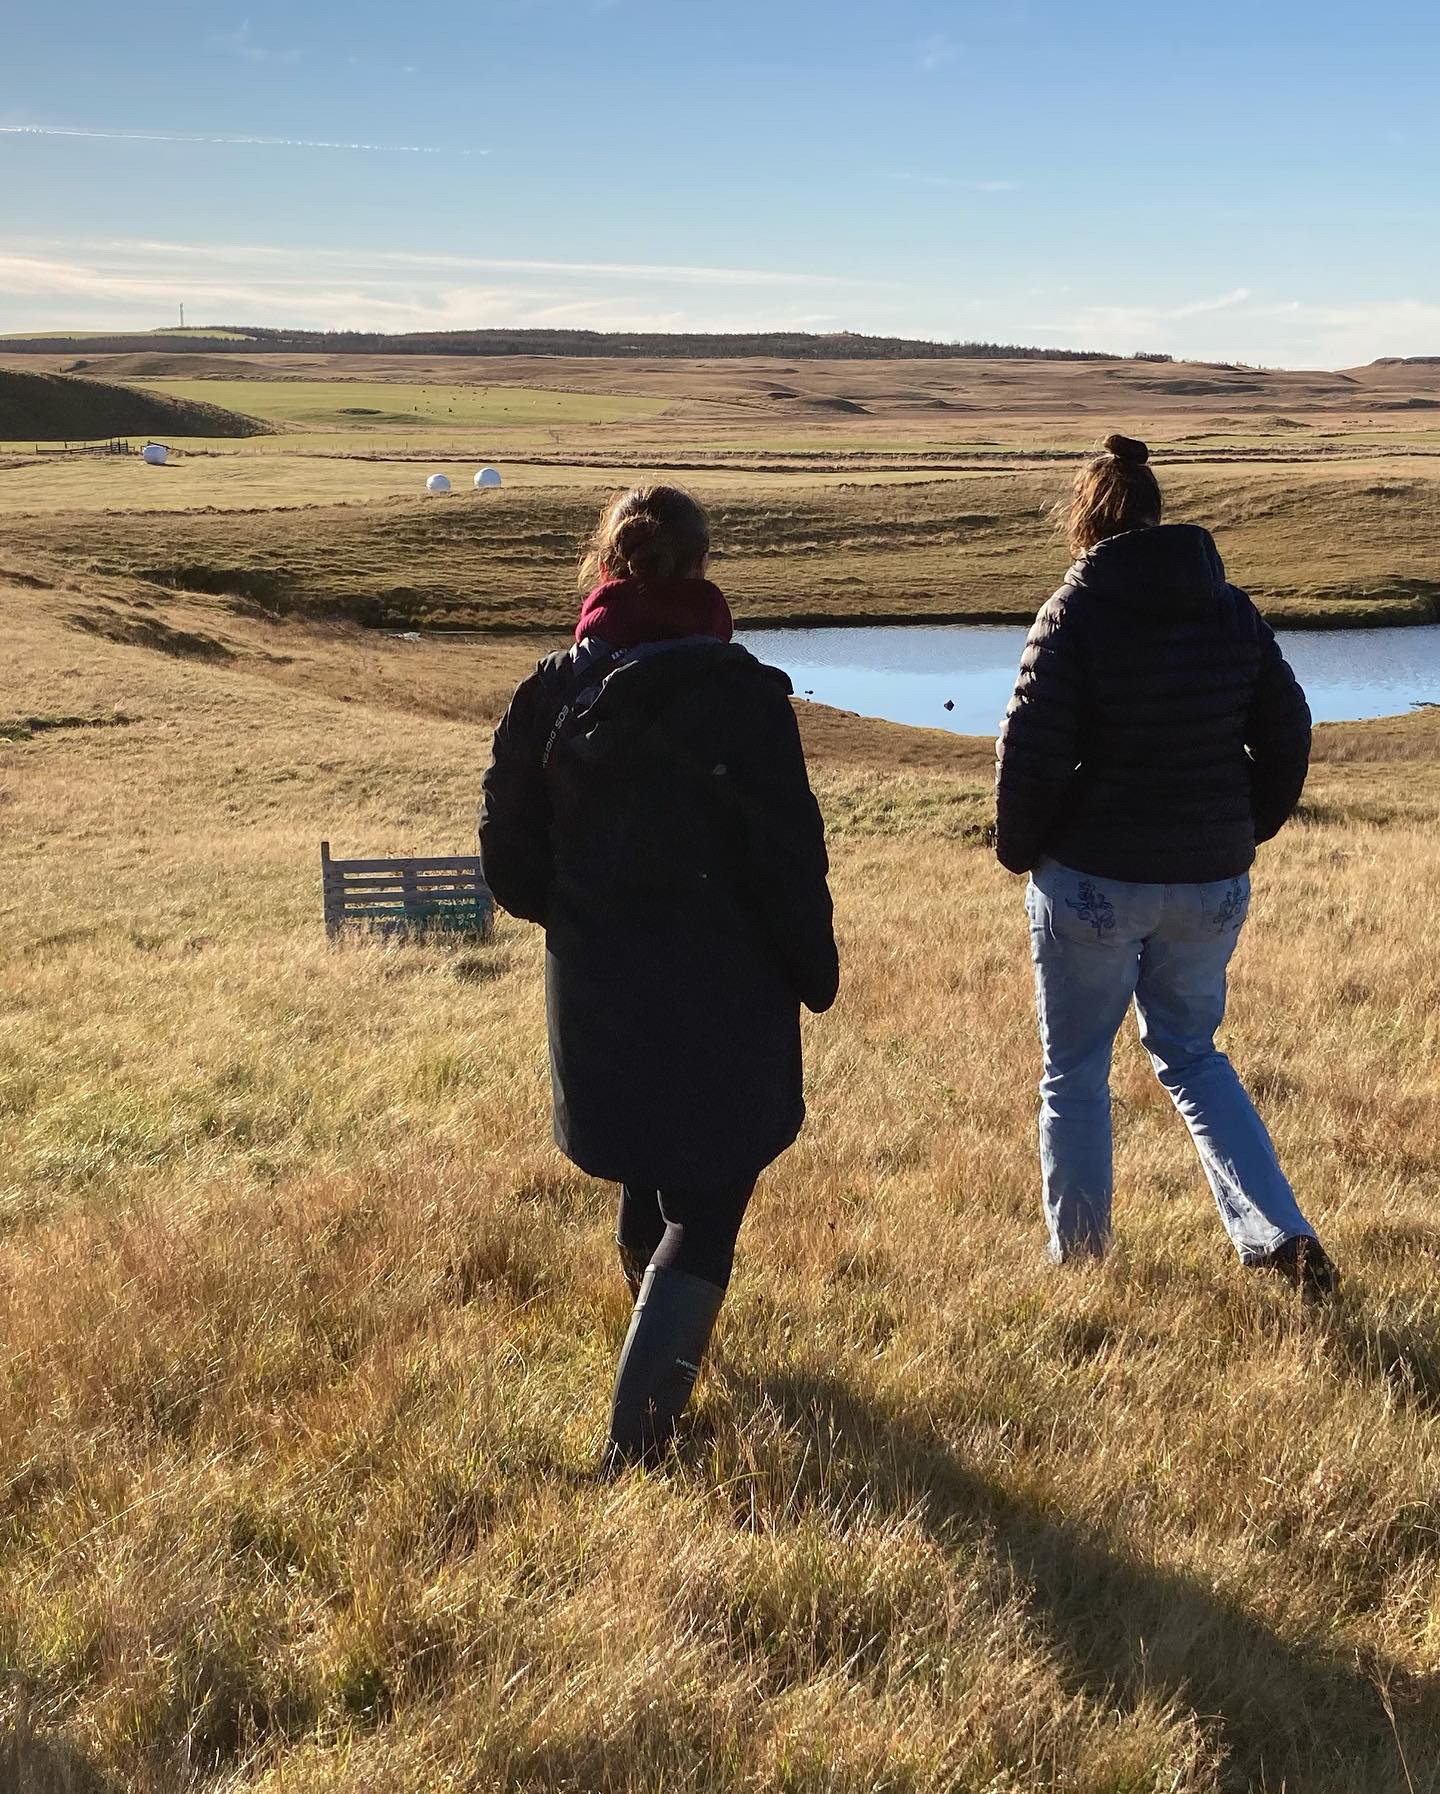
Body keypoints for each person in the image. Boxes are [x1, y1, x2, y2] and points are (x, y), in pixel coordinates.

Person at [479, 484, 839, 1468]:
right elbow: (787, 861)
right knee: (710, 1199)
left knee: (646, 1154)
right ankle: (636, 1450)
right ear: (704, 569)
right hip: (730, 993)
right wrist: (814, 971)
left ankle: (655, 1354)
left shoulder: (550, 690)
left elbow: (507, 860)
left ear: (607, 568)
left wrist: (583, 922)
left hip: (600, 987)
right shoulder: (746, 696)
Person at [995, 433, 1338, 1297]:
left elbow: (1029, 753)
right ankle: (1278, 1233)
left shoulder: (1075, 611)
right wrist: (1241, 826)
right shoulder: (1227, 606)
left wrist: (1018, 848)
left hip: (1093, 877)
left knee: (1074, 1070)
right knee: (1192, 1053)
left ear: (1087, 517)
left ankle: (1083, 1269)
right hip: (1211, 877)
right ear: (1155, 510)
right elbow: (1290, 729)